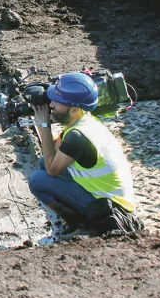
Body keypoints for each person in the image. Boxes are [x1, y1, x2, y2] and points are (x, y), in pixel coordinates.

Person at [28, 72, 136, 238]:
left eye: (57, 102)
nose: (51, 105)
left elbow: (52, 170)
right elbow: (54, 152)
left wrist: (43, 125)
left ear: (74, 109)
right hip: (105, 193)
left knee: (37, 180)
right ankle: (79, 219)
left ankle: (85, 226)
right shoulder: (83, 120)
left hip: (111, 208)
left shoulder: (78, 137)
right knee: (43, 162)